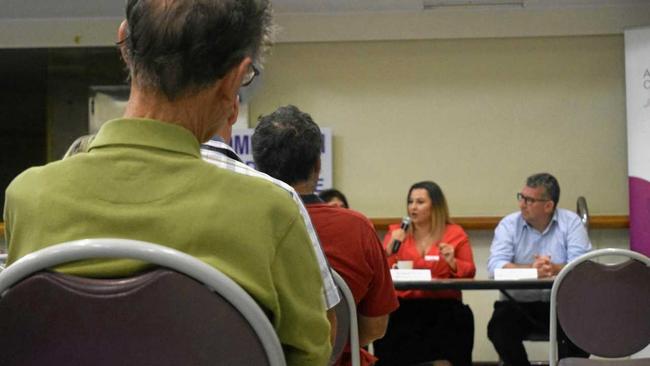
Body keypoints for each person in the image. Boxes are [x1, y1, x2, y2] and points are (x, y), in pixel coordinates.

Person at [3, 2, 332, 364]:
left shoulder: (29, 198)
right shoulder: (270, 213)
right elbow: (309, 357)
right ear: (234, 79)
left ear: (124, 43)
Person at [251, 105, 399, 366]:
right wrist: (335, 344)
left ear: (258, 167)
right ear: (318, 166)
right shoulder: (358, 228)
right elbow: (376, 327)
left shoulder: (244, 223)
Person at [487, 173, 592, 366]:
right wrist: (531, 271)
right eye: (521, 197)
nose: (521, 204)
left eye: (529, 200)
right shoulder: (509, 225)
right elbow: (495, 267)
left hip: (562, 305)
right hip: (518, 304)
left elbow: (582, 265)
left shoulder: (571, 223)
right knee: (499, 329)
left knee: (582, 328)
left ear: (548, 205)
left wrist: (554, 268)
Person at [375, 181, 476, 366]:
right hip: (403, 307)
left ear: (435, 206)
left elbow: (469, 271)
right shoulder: (396, 234)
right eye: (410, 202)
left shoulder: (454, 233)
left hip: (442, 307)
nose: (413, 207)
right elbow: (380, 273)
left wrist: (453, 263)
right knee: (387, 323)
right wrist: (387, 251)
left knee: (461, 318)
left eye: (420, 202)